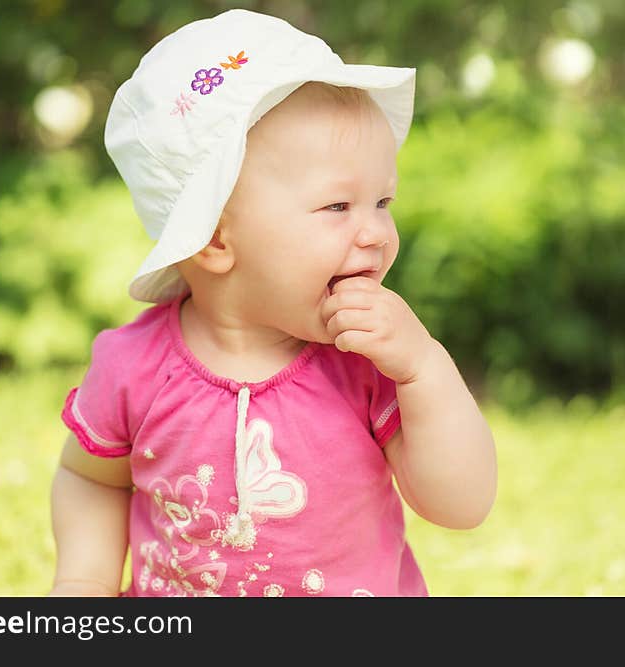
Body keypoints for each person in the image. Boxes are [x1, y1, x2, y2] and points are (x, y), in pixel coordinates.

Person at [49, 8, 496, 597]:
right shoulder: (134, 365)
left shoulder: (366, 360)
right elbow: (92, 478)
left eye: (382, 202)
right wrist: (84, 579)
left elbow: (461, 504)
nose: (375, 233)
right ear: (213, 237)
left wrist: (424, 366)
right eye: (338, 207)